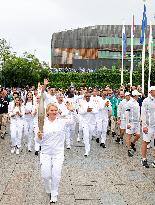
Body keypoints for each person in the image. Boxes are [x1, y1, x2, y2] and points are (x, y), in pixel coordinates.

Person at [37, 103, 76, 203]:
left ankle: (54, 193)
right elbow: (37, 141)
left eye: (55, 110)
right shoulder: (42, 123)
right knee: (45, 175)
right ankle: (48, 188)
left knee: (56, 174)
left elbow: (75, 121)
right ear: (47, 112)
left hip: (58, 153)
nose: (54, 112)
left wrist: (72, 110)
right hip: (45, 153)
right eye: (52, 110)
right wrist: (39, 137)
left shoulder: (62, 122)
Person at [141, 86, 155, 168]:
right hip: (148, 126)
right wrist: (144, 126)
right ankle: (143, 159)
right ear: (150, 91)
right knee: (146, 142)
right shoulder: (146, 101)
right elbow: (143, 114)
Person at [125, 90, 141, 157]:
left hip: (137, 122)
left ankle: (132, 143)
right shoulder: (129, 103)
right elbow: (127, 113)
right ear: (135, 96)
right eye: (138, 95)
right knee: (129, 136)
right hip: (131, 122)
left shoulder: (136, 102)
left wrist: (140, 120)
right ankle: (129, 150)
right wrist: (128, 123)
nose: (139, 96)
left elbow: (138, 112)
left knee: (138, 135)